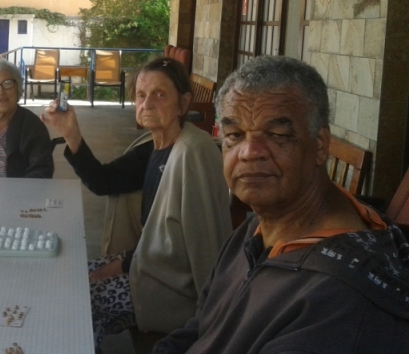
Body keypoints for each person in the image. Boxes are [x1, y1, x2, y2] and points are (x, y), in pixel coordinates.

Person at [154, 56, 409, 353]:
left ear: (320, 145)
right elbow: (203, 324)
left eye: (276, 135)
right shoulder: (260, 225)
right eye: (235, 135)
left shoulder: (340, 302)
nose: (249, 152)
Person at [41, 57, 231, 348]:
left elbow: (205, 245)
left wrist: (213, 324)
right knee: (67, 272)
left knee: (78, 298)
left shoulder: (194, 152)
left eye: (159, 94)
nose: (147, 104)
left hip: (172, 289)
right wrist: (71, 132)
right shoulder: (153, 146)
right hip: (146, 265)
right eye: (141, 96)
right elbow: (104, 181)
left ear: (183, 103)